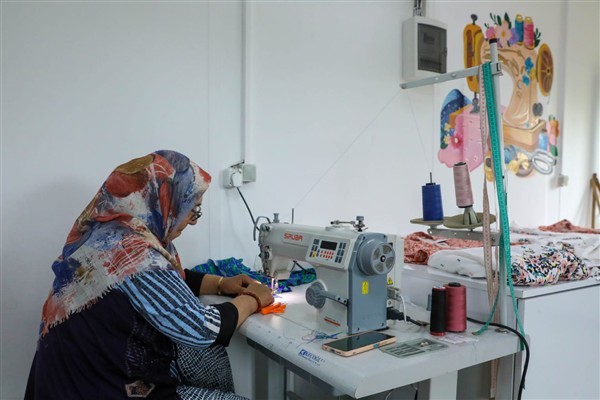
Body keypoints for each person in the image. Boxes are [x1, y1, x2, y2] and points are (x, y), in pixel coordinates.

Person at [25, 150, 274, 400]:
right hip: (99, 388)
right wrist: (254, 298)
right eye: (192, 209)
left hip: (73, 379)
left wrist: (221, 284)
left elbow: (164, 283)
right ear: (164, 199)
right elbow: (204, 329)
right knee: (203, 354)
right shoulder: (133, 253)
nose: (193, 221)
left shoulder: (108, 233)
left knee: (205, 357)